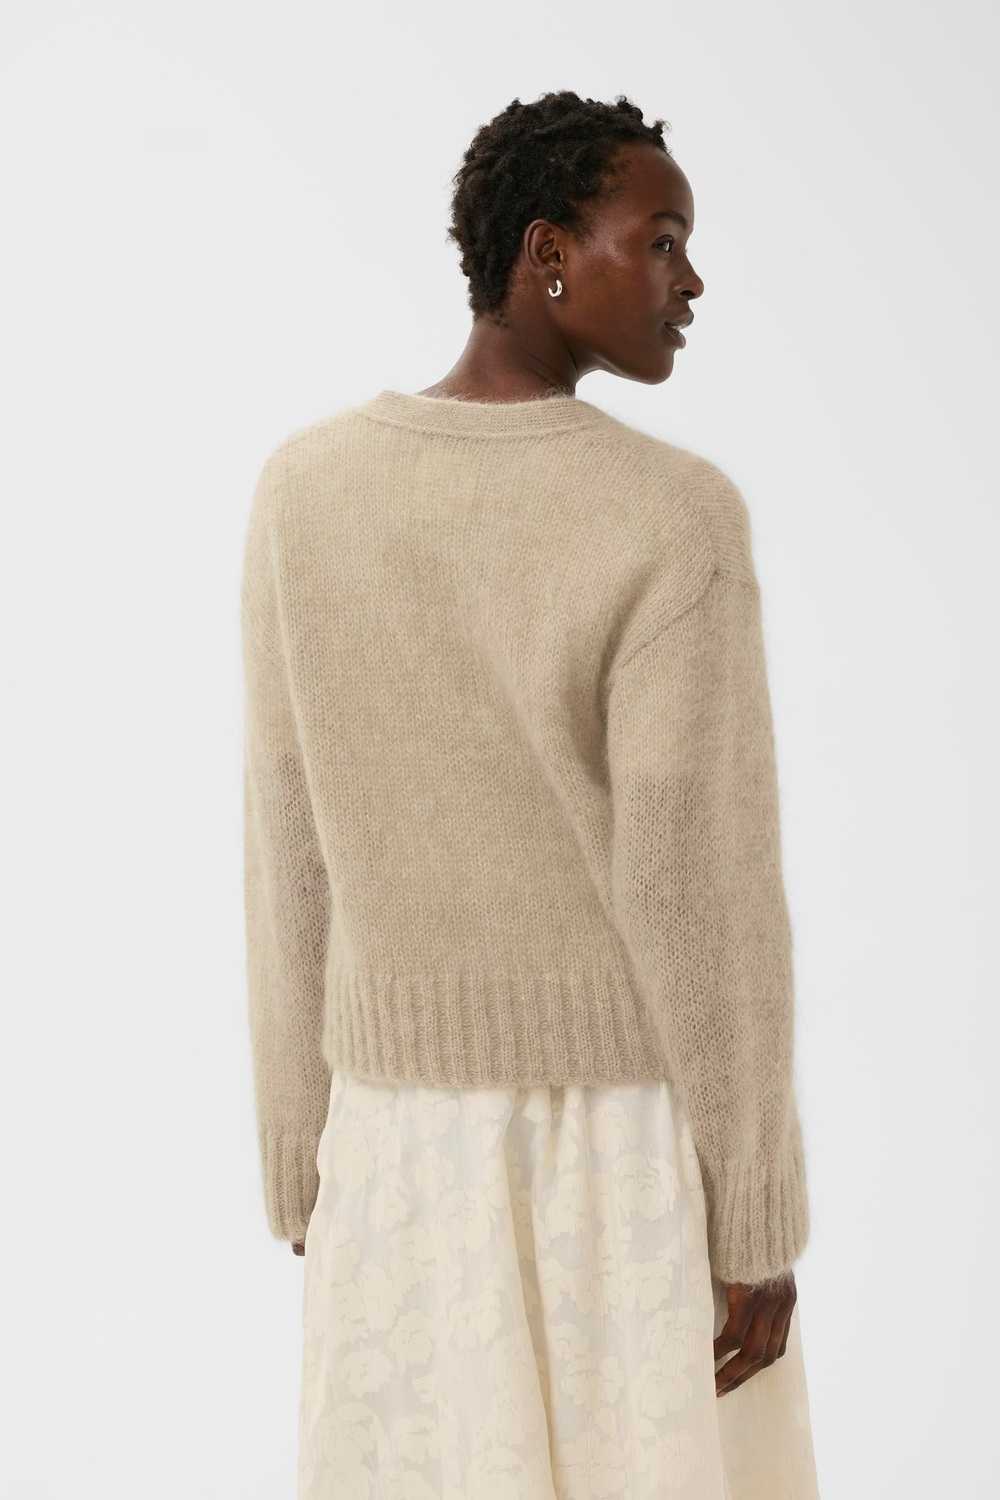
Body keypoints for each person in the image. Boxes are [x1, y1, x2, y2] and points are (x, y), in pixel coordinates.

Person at [241, 90, 820, 1498]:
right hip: (614, 1161)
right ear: (548, 251)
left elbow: (285, 842)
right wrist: (754, 1218)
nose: (691, 281)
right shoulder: (672, 515)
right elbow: (699, 887)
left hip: (391, 1152)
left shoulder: (305, 489)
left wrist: (304, 1150)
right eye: (662, 239)